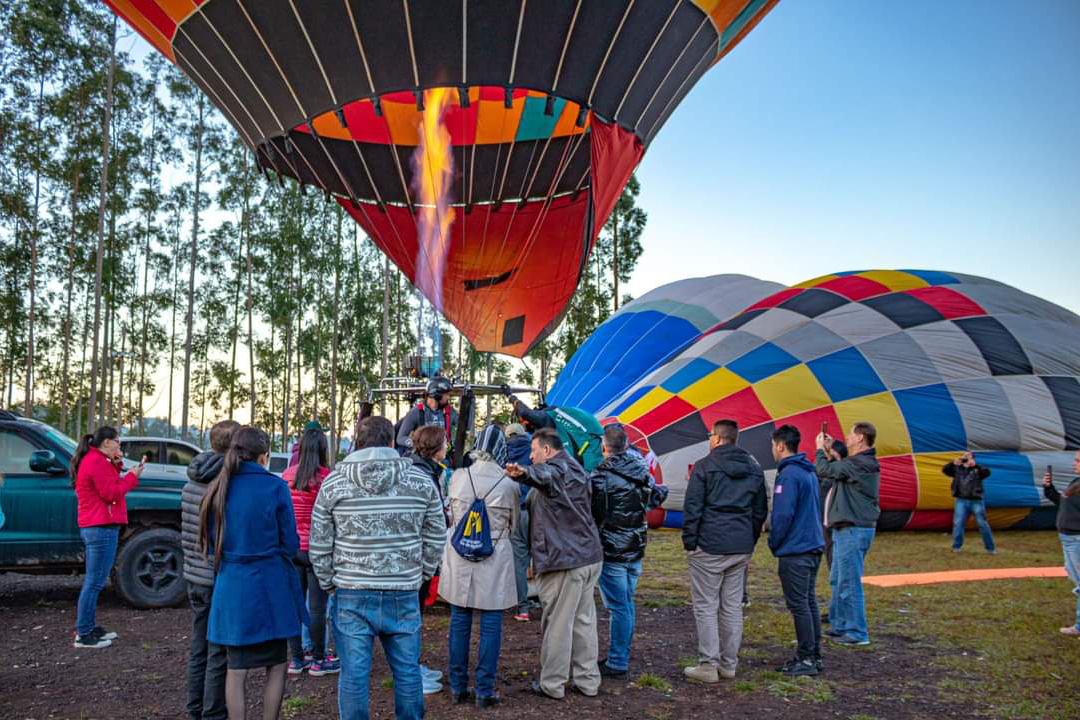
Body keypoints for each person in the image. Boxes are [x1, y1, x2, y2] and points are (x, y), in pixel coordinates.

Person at [309, 416, 446, 720]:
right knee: (407, 671)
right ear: (390, 442)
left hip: (351, 591)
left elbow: (319, 544)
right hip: (403, 589)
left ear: (357, 441)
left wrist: (330, 582)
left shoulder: (334, 483)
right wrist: (421, 573)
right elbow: (437, 534)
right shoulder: (420, 481)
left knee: (354, 675)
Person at [199, 426, 306, 720]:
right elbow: (291, 543)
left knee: (236, 668)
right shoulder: (275, 487)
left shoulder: (218, 486)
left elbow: (210, 542)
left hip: (231, 586)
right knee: (277, 664)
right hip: (271, 584)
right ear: (264, 456)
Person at [505, 428, 603, 700]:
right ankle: (588, 681)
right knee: (584, 622)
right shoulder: (578, 471)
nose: (532, 458)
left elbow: (544, 475)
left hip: (565, 562)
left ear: (547, 451)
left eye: (534, 453)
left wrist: (524, 473)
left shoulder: (555, 470)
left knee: (558, 625)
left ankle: (552, 683)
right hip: (587, 556)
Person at [681, 419, 767, 683]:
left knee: (706, 606)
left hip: (709, 544)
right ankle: (729, 664)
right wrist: (748, 540)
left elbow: (692, 508)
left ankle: (708, 665)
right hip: (739, 545)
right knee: (731, 607)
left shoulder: (704, 466)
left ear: (717, 439)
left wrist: (690, 543)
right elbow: (760, 510)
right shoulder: (754, 468)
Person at [440, 425, 519, 708]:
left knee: (459, 620)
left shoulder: (459, 477)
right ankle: (484, 690)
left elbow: (451, 516)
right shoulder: (509, 483)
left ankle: (458, 687)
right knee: (490, 623)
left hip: (460, 554)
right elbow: (514, 524)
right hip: (494, 556)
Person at [590, 424, 668, 679]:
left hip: (612, 550)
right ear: (625, 445)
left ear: (604, 447)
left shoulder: (601, 477)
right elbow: (654, 498)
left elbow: (592, 511)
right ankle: (620, 653)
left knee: (619, 607)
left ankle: (618, 660)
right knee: (626, 604)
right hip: (635, 547)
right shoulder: (642, 471)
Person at [183, 419, 239, 719]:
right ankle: (213, 712)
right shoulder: (225, 482)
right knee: (218, 651)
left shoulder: (191, 477)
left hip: (194, 573)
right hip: (216, 576)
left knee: (198, 648)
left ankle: (194, 709)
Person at [72, 426, 145, 649]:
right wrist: (132, 477)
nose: (119, 447)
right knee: (94, 582)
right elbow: (111, 493)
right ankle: (83, 634)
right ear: (106, 443)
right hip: (100, 526)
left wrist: (118, 463)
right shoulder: (95, 462)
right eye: (118, 443)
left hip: (98, 525)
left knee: (94, 581)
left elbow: (109, 482)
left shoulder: (97, 460)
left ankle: (88, 627)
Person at [768, 425, 826, 676]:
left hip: (796, 549)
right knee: (809, 601)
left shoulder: (789, 474)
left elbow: (782, 514)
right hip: (813, 545)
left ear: (780, 445)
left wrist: (774, 542)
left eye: (773, 446)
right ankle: (813, 654)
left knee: (799, 605)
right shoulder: (808, 472)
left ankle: (806, 659)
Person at [816, 422, 880, 647]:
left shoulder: (861, 463)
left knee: (849, 582)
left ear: (861, 437)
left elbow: (824, 471)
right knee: (838, 579)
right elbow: (838, 472)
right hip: (844, 527)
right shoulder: (858, 464)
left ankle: (856, 632)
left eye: (851, 434)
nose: (847, 437)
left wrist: (818, 451)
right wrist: (830, 452)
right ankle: (839, 625)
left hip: (853, 528)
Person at [283, 427, 339, 677]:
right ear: (323, 450)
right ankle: (318, 659)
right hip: (318, 549)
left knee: (294, 605)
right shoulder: (328, 478)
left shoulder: (286, 476)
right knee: (318, 608)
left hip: (292, 549)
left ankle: (296, 659)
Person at [407, 424, 452, 695]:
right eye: (445, 443)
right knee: (412, 615)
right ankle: (410, 672)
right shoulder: (423, 473)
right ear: (436, 448)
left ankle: (412, 665)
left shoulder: (422, 468)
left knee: (415, 613)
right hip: (418, 556)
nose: (447, 448)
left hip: (416, 555)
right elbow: (431, 518)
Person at [1043, 452, 1080, 637]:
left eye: (1078, 460)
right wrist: (1049, 489)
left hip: (1076, 540)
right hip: (1067, 538)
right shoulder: (1076, 481)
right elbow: (1062, 503)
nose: (1075, 463)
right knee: (1076, 580)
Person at [505, 423, 534, 621]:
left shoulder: (503, 455)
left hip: (517, 512)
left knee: (519, 560)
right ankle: (550, 601)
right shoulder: (535, 450)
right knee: (543, 556)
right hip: (538, 511)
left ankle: (523, 608)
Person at [944, 453, 995, 554]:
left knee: (982, 524)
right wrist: (953, 463)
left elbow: (987, 473)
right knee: (958, 523)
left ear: (972, 459)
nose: (966, 459)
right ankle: (956, 547)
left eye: (968, 457)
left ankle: (990, 548)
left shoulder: (977, 469)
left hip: (976, 500)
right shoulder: (957, 469)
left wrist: (976, 465)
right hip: (961, 500)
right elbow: (945, 470)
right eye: (964, 457)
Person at [396, 376, 458, 453]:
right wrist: (415, 444)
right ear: (437, 394)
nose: (448, 397)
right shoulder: (416, 412)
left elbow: (465, 430)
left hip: (443, 457)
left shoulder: (450, 412)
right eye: (446, 394)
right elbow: (400, 438)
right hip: (421, 458)